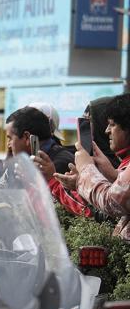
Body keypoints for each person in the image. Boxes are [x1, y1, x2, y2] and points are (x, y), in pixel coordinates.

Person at [56, 93, 130, 237]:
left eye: (112, 124)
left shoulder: (60, 159)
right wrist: (112, 174)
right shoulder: (121, 164)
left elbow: (111, 203)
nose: (106, 130)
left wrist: (85, 170)